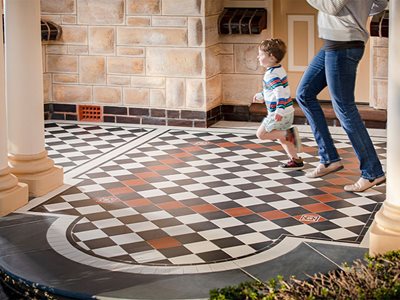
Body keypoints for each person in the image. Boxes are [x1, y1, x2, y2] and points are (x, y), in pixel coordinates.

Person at [296, 0, 387, 192]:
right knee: (304, 93)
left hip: (343, 44)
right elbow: (380, 3)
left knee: (345, 109)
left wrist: (352, 13)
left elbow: (331, 6)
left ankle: (373, 172)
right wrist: (357, 10)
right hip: (336, 42)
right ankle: (329, 158)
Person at [253, 39, 303, 171]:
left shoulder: (271, 75)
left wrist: (279, 110)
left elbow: (280, 92)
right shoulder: (279, 69)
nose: (258, 57)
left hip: (279, 112)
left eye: (261, 54)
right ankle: (296, 160)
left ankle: (289, 133)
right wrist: (262, 95)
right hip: (288, 111)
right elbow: (275, 90)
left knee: (261, 134)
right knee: (282, 138)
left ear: (271, 57)